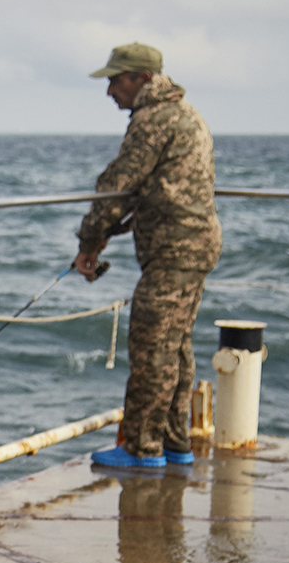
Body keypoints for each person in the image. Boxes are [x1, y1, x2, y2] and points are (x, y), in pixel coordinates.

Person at [73, 42, 220, 468]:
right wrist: (103, 234)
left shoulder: (153, 120)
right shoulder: (187, 114)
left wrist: (89, 242)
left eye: (115, 81)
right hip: (196, 244)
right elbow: (155, 189)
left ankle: (141, 447)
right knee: (176, 346)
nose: (109, 92)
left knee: (152, 347)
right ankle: (176, 442)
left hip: (174, 250)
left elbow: (118, 185)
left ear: (142, 79)